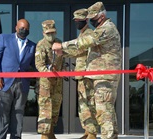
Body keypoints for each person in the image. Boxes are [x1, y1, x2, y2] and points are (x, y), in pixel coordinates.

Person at [52, 2, 122, 139]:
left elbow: (87, 41)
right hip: (99, 76)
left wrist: (62, 45)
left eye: (93, 18)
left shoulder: (107, 29)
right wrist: (63, 52)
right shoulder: (100, 29)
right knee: (105, 111)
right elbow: (83, 49)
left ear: (101, 16)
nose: (91, 21)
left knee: (104, 111)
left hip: (105, 77)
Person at [0, 19, 36, 139]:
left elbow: (36, 65)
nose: (23, 30)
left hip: (22, 84)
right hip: (3, 83)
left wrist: (49, 68)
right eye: (21, 28)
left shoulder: (32, 45)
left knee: (18, 115)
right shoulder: (4, 38)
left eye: (26, 29)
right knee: (2, 117)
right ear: (16, 27)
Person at [59, 9, 98, 139]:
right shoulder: (82, 34)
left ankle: (92, 132)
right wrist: (63, 53)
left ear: (86, 20)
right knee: (83, 104)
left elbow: (79, 50)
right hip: (81, 75)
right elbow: (77, 52)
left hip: (87, 75)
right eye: (75, 21)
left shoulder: (89, 34)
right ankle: (88, 131)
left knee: (89, 104)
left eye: (79, 21)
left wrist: (62, 50)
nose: (77, 23)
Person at [35, 20, 64, 139]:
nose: (51, 35)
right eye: (48, 33)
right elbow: (39, 65)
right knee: (45, 108)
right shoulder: (41, 45)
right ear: (43, 33)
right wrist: (49, 72)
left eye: (53, 33)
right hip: (45, 82)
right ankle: (44, 134)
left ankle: (51, 131)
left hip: (57, 81)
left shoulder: (59, 43)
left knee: (56, 106)